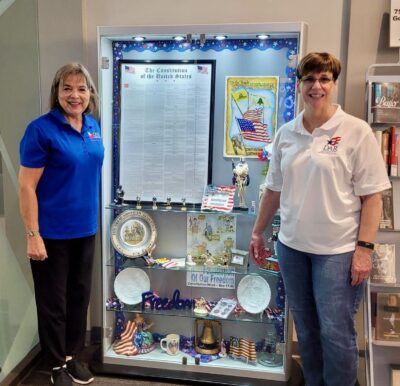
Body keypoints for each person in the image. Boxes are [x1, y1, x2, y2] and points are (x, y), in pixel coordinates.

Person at [250, 52, 391, 386]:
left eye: (324, 79)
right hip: (292, 247)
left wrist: (364, 250)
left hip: (338, 252)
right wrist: (258, 233)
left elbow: (372, 197)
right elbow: (273, 189)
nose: (316, 86)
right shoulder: (286, 133)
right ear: (299, 85)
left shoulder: (356, 131)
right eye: (309, 79)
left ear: (334, 83)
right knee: (307, 328)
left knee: (335, 331)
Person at [19, 63, 104, 386]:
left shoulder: (93, 126)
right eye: (67, 88)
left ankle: (72, 357)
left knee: (79, 297)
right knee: (53, 301)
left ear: (90, 93)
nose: (75, 95)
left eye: (82, 89)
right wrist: (33, 235)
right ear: (57, 92)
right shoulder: (41, 130)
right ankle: (55, 365)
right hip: (51, 233)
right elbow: (26, 187)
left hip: (85, 229)